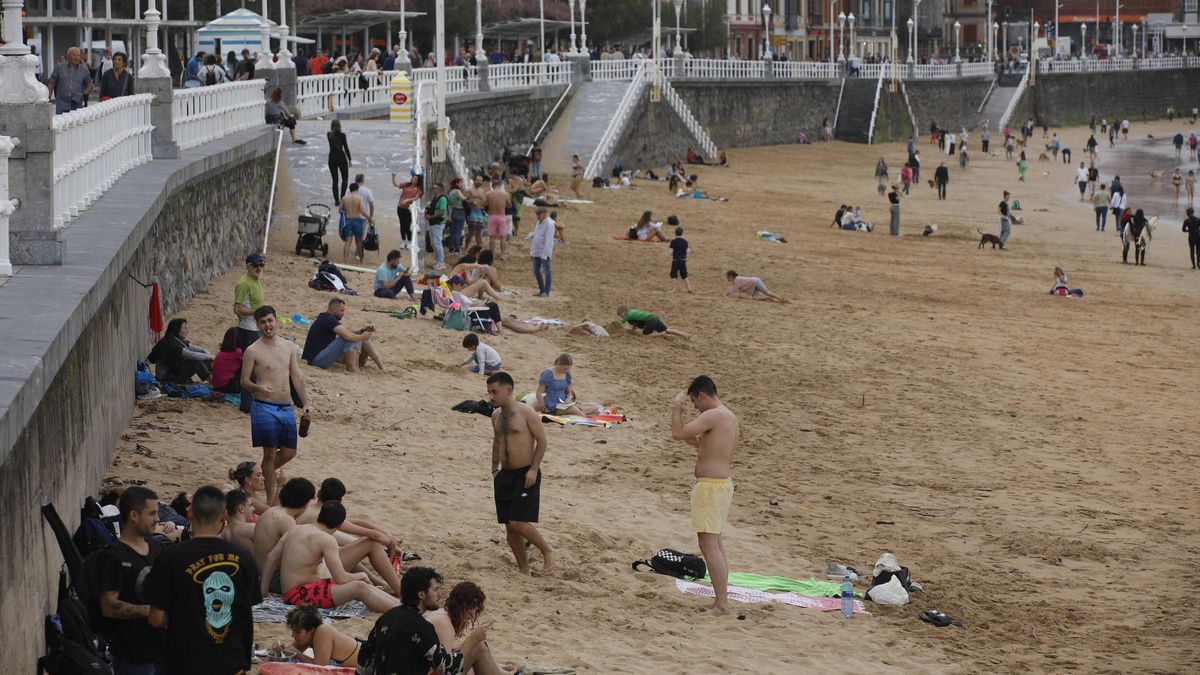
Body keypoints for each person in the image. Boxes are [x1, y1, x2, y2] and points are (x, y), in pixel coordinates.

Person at [145, 485, 262, 675]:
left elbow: (156, 619)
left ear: (189, 513)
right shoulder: (243, 558)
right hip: (231, 662)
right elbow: (246, 608)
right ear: (224, 515)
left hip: (185, 662)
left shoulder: (170, 557)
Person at [669, 375, 739, 615]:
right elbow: (696, 441)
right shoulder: (727, 416)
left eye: (693, 402)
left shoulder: (713, 414)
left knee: (709, 545)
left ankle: (721, 603)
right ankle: (721, 599)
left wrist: (676, 406)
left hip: (711, 487)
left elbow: (677, 434)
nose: (694, 407)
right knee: (715, 544)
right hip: (720, 485)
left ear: (701, 395)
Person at [260, 501, 401, 613]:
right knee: (360, 586)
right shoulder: (326, 539)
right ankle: (402, 611)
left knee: (362, 584)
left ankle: (402, 606)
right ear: (339, 525)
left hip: (294, 592)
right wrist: (361, 575)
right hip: (301, 595)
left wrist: (263, 592)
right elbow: (342, 578)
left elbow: (270, 558)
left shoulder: (295, 529)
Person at [357, 567, 500, 675]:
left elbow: (364, 658)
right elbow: (448, 669)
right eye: (435, 590)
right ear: (421, 594)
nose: (439, 594)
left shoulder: (386, 617)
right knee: (479, 647)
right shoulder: (421, 627)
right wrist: (473, 638)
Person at [485, 372, 555, 575]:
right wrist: (494, 469)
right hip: (504, 475)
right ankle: (524, 569)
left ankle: (547, 550)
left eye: (494, 392)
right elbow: (497, 442)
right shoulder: (495, 415)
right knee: (509, 528)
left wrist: (533, 469)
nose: (491, 396)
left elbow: (542, 441)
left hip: (525, 473)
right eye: (489, 392)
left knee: (518, 522)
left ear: (509, 391)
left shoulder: (526, 412)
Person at [241, 306, 310, 505]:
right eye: (262, 322)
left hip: (286, 406)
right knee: (269, 454)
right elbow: (244, 381)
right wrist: (258, 386)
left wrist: (305, 402)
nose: (267, 325)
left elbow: (296, 375)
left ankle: (259, 473)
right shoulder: (252, 350)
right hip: (264, 406)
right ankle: (271, 499)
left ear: (276, 321)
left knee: (290, 452)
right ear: (257, 325)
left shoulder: (288, 346)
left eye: (270, 321)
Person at [96, 486, 165, 675]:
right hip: (133, 657)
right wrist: (151, 611)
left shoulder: (157, 548)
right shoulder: (113, 556)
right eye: (152, 514)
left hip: (164, 651)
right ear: (134, 515)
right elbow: (108, 606)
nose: (157, 520)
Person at [301, 297, 382, 372]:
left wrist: (362, 331)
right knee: (351, 338)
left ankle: (382, 367)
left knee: (359, 337)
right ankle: (353, 368)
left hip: (321, 355)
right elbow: (347, 336)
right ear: (333, 309)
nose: (343, 313)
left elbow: (347, 333)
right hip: (316, 360)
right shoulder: (328, 319)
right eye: (342, 311)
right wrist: (361, 336)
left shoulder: (325, 317)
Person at [281, 604, 362, 668]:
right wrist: (280, 649)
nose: (293, 636)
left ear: (310, 629)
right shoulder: (306, 637)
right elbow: (289, 652)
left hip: (367, 663)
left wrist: (297, 653)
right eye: (293, 631)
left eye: (297, 632)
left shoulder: (322, 631)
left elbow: (319, 667)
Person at [148, 317, 213, 384]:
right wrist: (209, 356)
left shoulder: (176, 340)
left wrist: (210, 357)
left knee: (205, 358)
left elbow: (202, 350)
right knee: (195, 361)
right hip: (167, 378)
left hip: (174, 372)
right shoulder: (170, 344)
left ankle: (216, 377)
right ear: (177, 330)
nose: (187, 331)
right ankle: (212, 380)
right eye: (185, 328)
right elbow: (191, 355)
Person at [536, 353, 601, 416]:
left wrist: (568, 399)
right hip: (552, 404)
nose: (567, 370)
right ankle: (586, 418)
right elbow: (539, 393)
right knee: (574, 410)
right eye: (565, 368)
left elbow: (570, 392)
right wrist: (543, 407)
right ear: (559, 364)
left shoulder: (567, 373)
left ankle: (578, 413)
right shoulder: (548, 374)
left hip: (565, 403)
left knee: (595, 406)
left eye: (568, 368)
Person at [233, 252, 266, 350]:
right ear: (248, 266)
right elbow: (237, 309)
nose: (259, 268)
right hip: (248, 329)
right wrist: (257, 311)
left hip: (256, 327)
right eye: (256, 265)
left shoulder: (255, 279)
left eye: (261, 265)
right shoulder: (244, 284)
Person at [48, 46, 92, 113]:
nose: (77, 58)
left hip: (76, 104)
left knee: (76, 123)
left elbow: (90, 85)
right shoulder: (59, 67)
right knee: (61, 122)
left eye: (78, 55)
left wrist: (82, 94)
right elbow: (52, 83)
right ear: (68, 56)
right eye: (74, 55)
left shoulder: (84, 69)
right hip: (61, 103)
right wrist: (48, 97)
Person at [616, 305, 689, 338]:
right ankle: (685, 335)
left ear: (624, 311)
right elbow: (635, 323)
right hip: (653, 316)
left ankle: (661, 334)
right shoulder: (632, 311)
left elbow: (619, 324)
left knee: (645, 335)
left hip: (649, 320)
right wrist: (632, 330)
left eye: (620, 315)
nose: (621, 316)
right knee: (668, 330)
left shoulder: (628, 315)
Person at [393, 172, 424, 249]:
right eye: (413, 178)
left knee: (407, 225)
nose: (413, 179)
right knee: (402, 225)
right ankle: (403, 241)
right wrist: (393, 177)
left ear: (418, 181)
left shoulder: (419, 189)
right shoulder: (407, 184)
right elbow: (396, 185)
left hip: (409, 209)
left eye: (415, 179)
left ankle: (410, 241)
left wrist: (407, 200)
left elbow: (416, 198)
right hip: (400, 207)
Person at [529, 207, 555, 297]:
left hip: (544, 252)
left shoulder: (549, 224)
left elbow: (548, 240)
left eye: (538, 214)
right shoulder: (539, 223)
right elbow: (537, 236)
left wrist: (544, 254)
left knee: (547, 271)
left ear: (544, 214)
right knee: (536, 271)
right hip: (537, 251)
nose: (537, 216)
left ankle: (546, 291)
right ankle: (542, 289)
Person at [222, 488, 257, 553]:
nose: (254, 508)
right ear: (241, 508)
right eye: (251, 505)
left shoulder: (222, 533)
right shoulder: (251, 528)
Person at [483, 180, 511, 259]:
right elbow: (509, 205)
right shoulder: (505, 194)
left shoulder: (488, 193)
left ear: (492, 186)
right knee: (503, 237)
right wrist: (502, 205)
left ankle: (492, 254)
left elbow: (483, 203)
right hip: (501, 216)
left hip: (492, 216)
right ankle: (502, 254)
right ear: (500, 185)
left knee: (492, 237)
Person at [328, 119, 352, 204]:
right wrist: (349, 159)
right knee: (345, 179)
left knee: (335, 180)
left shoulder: (329, 135)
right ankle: (342, 198)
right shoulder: (342, 135)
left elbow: (333, 142)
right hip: (341, 158)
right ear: (339, 126)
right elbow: (346, 148)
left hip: (332, 159)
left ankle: (336, 201)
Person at [447, 177, 468, 255]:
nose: (462, 184)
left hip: (453, 211)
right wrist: (468, 198)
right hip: (460, 212)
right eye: (461, 182)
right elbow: (463, 198)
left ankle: (451, 247)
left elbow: (449, 203)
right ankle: (457, 249)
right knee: (458, 231)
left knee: (452, 231)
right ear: (457, 183)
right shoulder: (457, 191)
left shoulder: (451, 192)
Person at [669, 223, 691, 293]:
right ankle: (689, 288)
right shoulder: (685, 242)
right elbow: (688, 251)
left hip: (675, 260)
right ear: (682, 233)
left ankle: (674, 288)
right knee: (684, 274)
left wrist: (674, 255)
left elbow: (670, 252)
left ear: (675, 233)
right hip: (683, 260)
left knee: (673, 274)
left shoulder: (673, 242)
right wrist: (684, 256)